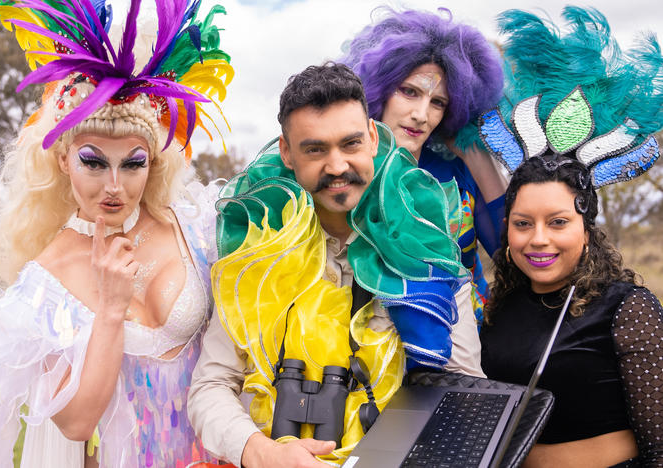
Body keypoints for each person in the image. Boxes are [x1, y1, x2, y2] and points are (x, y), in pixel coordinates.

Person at [0, 1, 233, 466]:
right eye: (93, 161)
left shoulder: (195, 226)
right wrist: (110, 307)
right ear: (63, 159)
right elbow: (75, 422)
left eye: (133, 164)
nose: (114, 185)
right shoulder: (44, 281)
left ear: (155, 162)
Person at [188, 62, 481, 468]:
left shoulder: (429, 253)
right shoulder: (256, 253)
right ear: (287, 154)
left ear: (374, 139)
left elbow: (464, 395)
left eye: (351, 144)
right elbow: (211, 385)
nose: (338, 166)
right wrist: (262, 453)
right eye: (315, 149)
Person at [478, 7, 663, 467]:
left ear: (586, 228)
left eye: (558, 222)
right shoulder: (501, 307)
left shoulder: (628, 308)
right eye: (523, 223)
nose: (538, 239)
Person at [341, 8, 506, 325]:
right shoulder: (343, 171)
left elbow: (515, 253)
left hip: (469, 341)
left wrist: (477, 157)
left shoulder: (457, 171)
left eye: (438, 102)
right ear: (378, 90)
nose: (421, 114)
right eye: (409, 91)